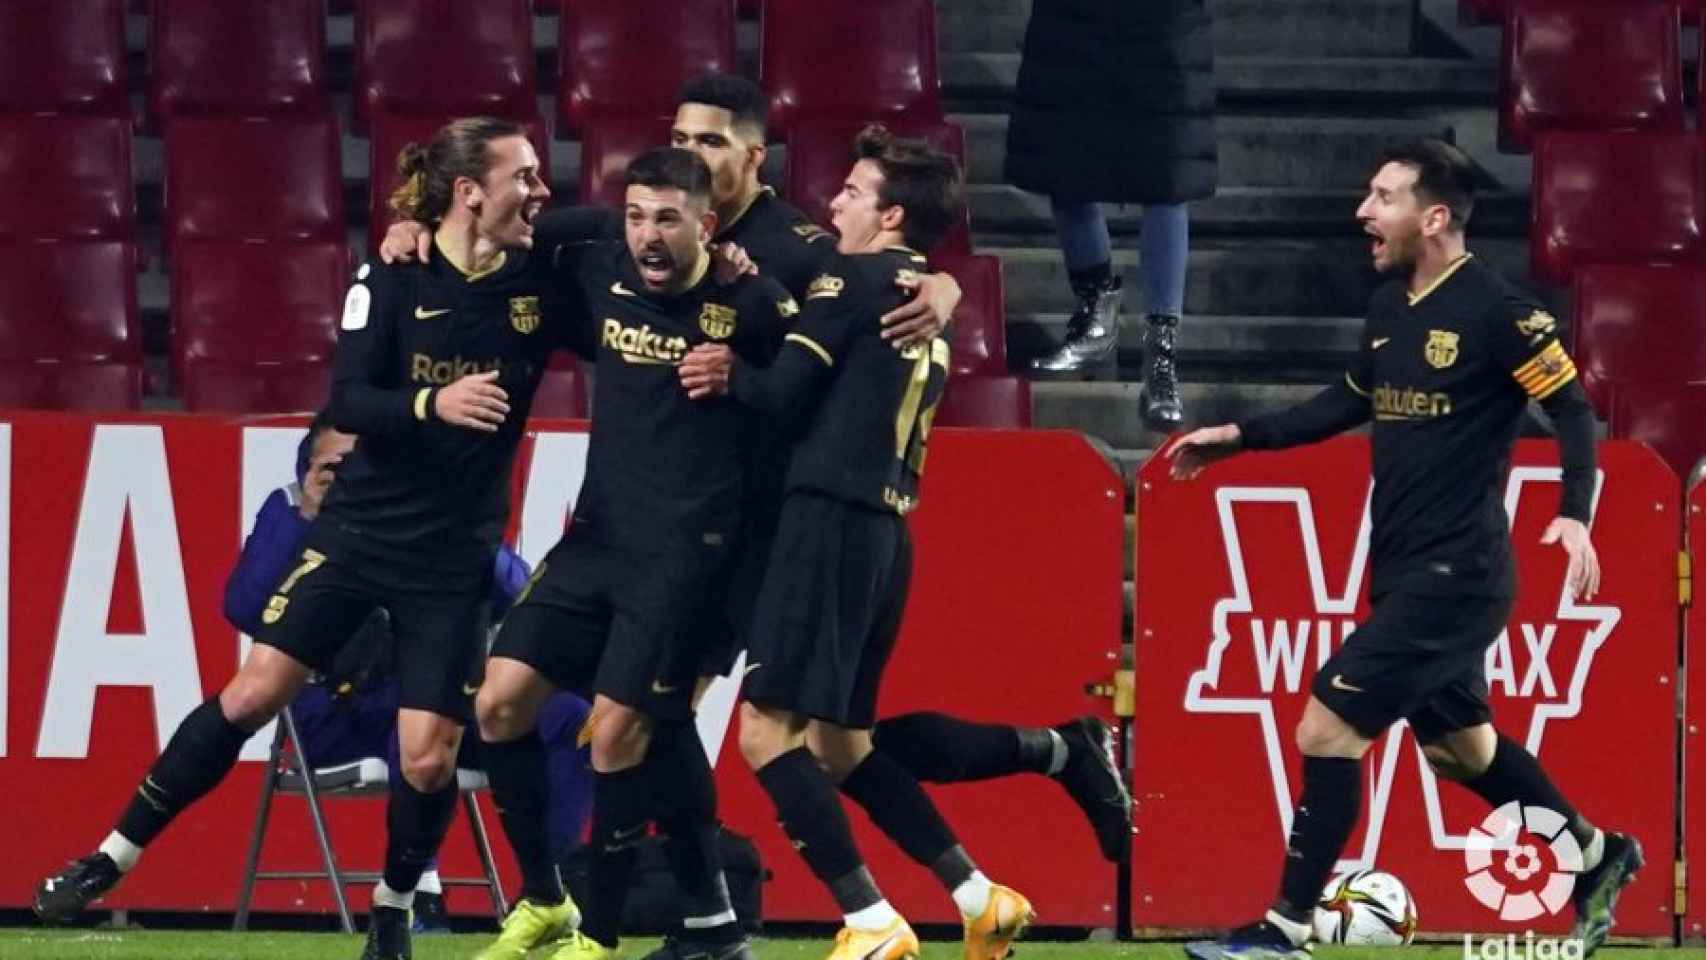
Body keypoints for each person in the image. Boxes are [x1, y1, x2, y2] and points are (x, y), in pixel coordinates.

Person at [33, 116, 577, 960]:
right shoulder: (390, 276)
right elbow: (349, 401)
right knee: (253, 693)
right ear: (471, 190)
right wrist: (433, 404)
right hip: (360, 533)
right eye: (526, 175)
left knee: (428, 761)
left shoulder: (538, 284)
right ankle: (109, 858)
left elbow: (620, 253)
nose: (542, 190)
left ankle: (393, 908)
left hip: (450, 558)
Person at [1166, 140, 1641, 960]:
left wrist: (1574, 513)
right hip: (1403, 567)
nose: (1363, 213)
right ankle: (1599, 857)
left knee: (1325, 727)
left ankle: (1283, 929)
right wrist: (1240, 437)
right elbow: (1345, 401)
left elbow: (1571, 411)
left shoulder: (1500, 312)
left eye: (1381, 198)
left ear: (1435, 217)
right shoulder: (1391, 311)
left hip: (1459, 575)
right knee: (1462, 754)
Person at [678, 126, 1029, 960]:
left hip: (825, 521)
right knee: (840, 746)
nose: (835, 201)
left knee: (765, 736)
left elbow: (778, 394)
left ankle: (870, 923)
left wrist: (728, 368)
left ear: (892, 213)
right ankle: (980, 899)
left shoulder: (854, 276)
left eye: (853, 192)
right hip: (885, 531)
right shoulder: (912, 289)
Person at [472, 147, 798, 960]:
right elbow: (521, 223)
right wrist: (412, 227)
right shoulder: (599, 266)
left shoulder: (752, 305)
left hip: (688, 557)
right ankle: (548, 899)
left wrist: (744, 378)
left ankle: (601, 939)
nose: (649, 237)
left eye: (669, 220)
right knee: (498, 703)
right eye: (637, 217)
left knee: (618, 733)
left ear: (708, 225)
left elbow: (810, 388)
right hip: (598, 540)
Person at [222, 415, 595, 933]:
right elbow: (244, 608)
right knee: (417, 705)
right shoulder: (289, 510)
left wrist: (457, 526)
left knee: (569, 719)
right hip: (334, 713)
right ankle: (419, 897)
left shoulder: (424, 514)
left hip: (440, 710)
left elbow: (521, 592)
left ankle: (548, 892)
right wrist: (310, 515)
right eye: (338, 464)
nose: (358, 474)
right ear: (308, 468)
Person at [1009, 0, 1217, 433]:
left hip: (1163, 26)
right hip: (1073, 23)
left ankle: (1161, 360)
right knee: (1062, 162)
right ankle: (1094, 319)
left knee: (1166, 179)